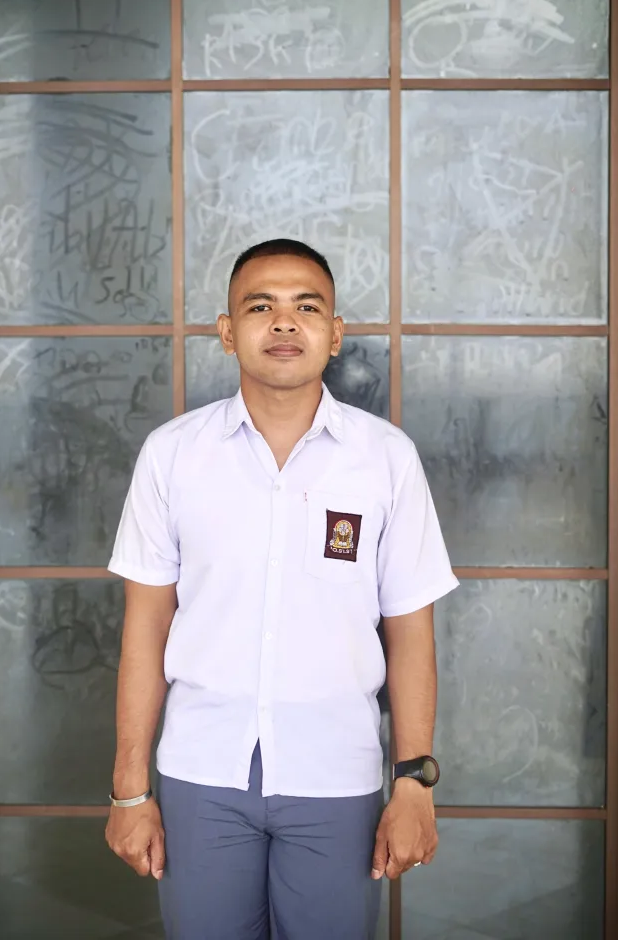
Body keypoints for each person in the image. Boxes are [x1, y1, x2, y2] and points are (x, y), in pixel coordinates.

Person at [105, 239, 458, 939]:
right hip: (200, 773)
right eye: (260, 306)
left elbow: (410, 632)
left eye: (307, 307)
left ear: (336, 334)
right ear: (227, 330)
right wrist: (128, 789)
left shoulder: (385, 459)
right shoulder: (172, 455)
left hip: (337, 776)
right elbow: (145, 629)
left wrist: (414, 781)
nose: (285, 323)